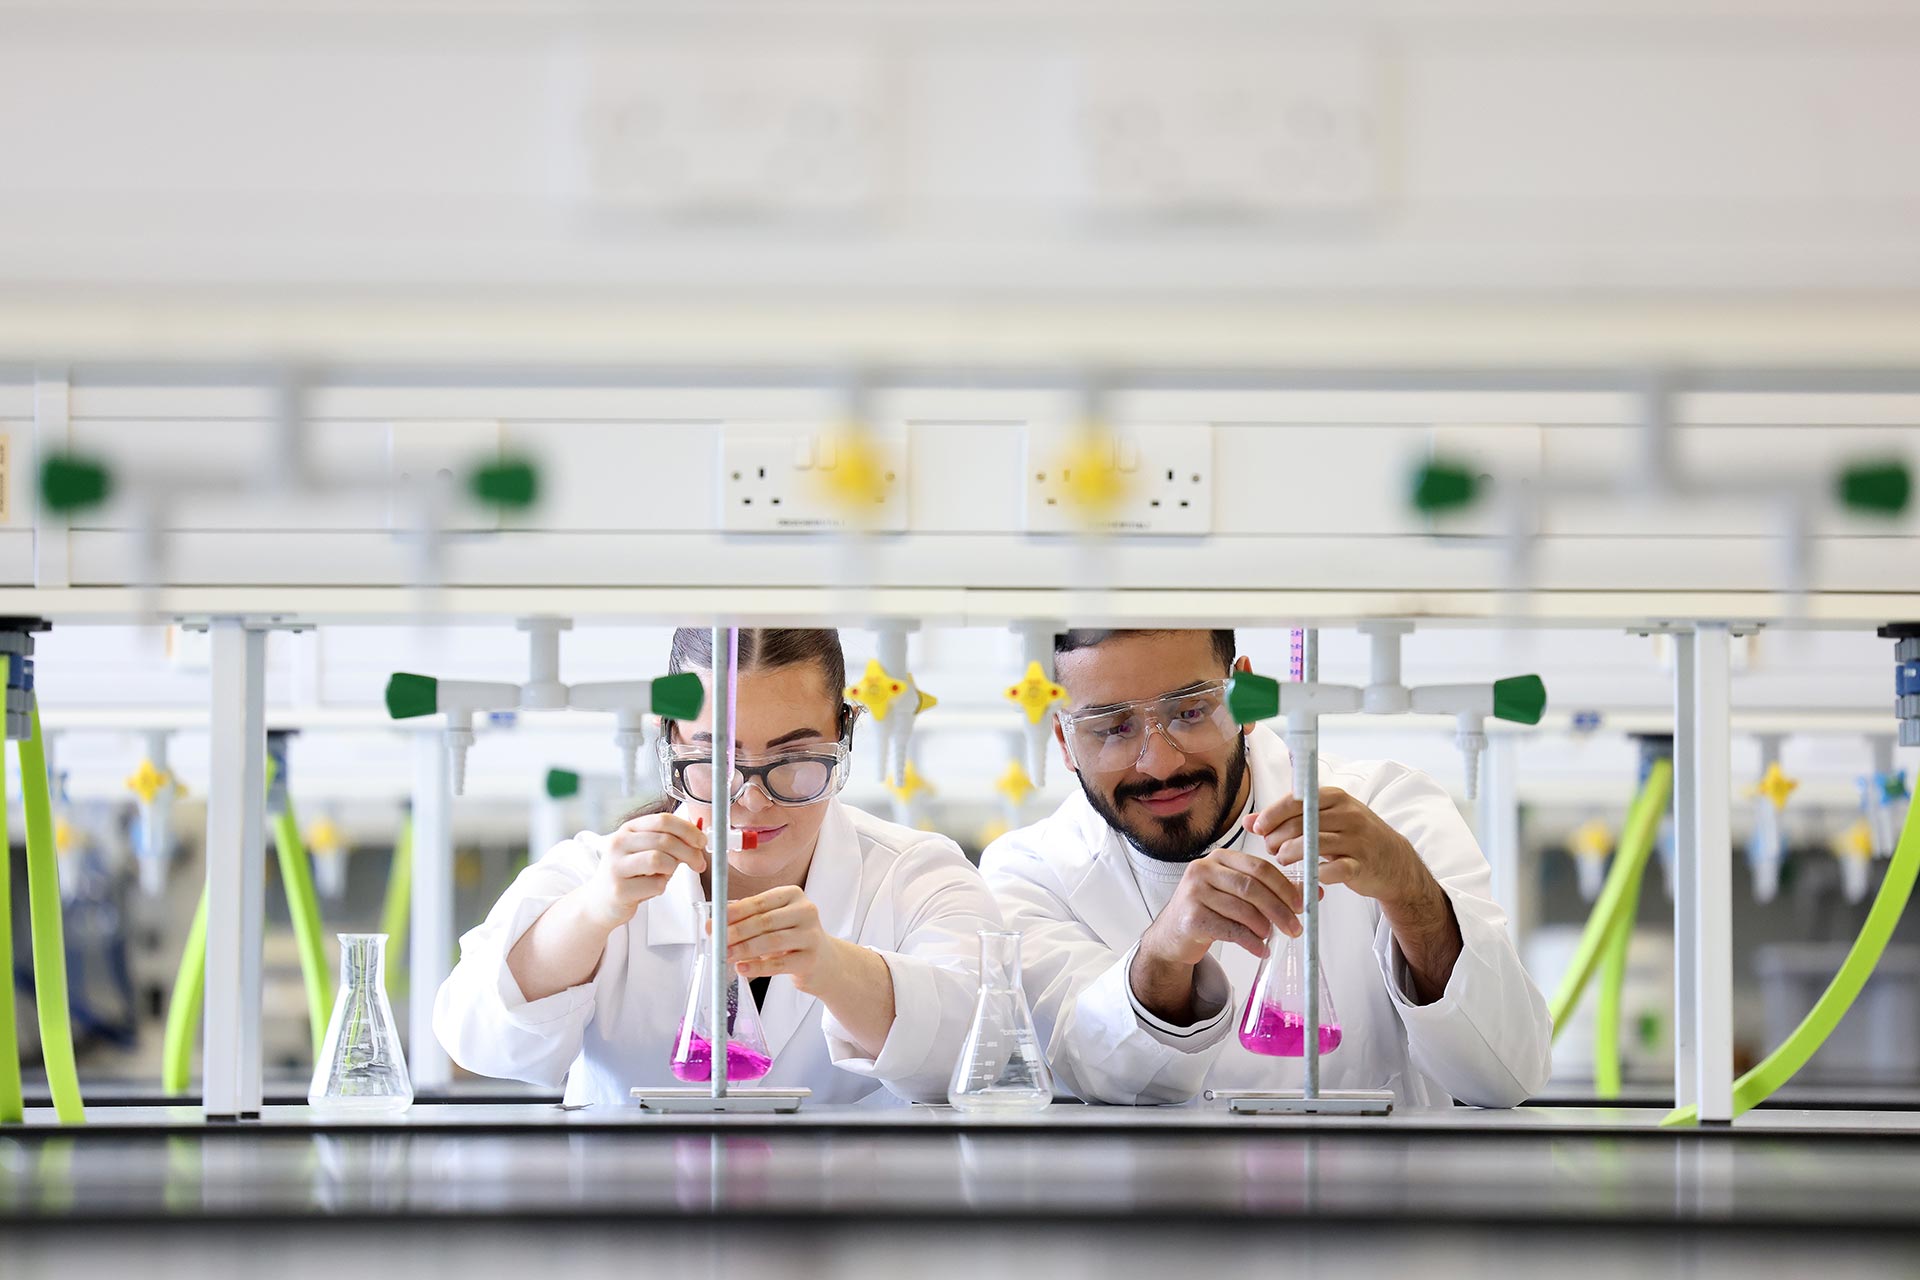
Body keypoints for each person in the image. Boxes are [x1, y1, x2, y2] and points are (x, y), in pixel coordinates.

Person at [980, 628, 1551, 1108]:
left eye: (1190, 711)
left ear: (1246, 697)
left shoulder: (1391, 808)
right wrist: (1163, 954)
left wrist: (1410, 892)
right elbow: (1093, 1068)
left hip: (1374, 1225)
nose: (1159, 762)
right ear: (1063, 738)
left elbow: (1506, 1073)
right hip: (1148, 1231)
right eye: (1111, 727)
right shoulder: (1029, 874)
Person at [436, 627, 1004, 1107]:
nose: (754, 800)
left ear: (843, 731)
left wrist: (833, 967)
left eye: (795, 759)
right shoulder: (587, 872)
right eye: (714, 760)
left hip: (846, 1227)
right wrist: (592, 914)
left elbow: (982, 1056)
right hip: (629, 1224)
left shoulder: (916, 877)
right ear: (670, 738)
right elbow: (476, 1037)